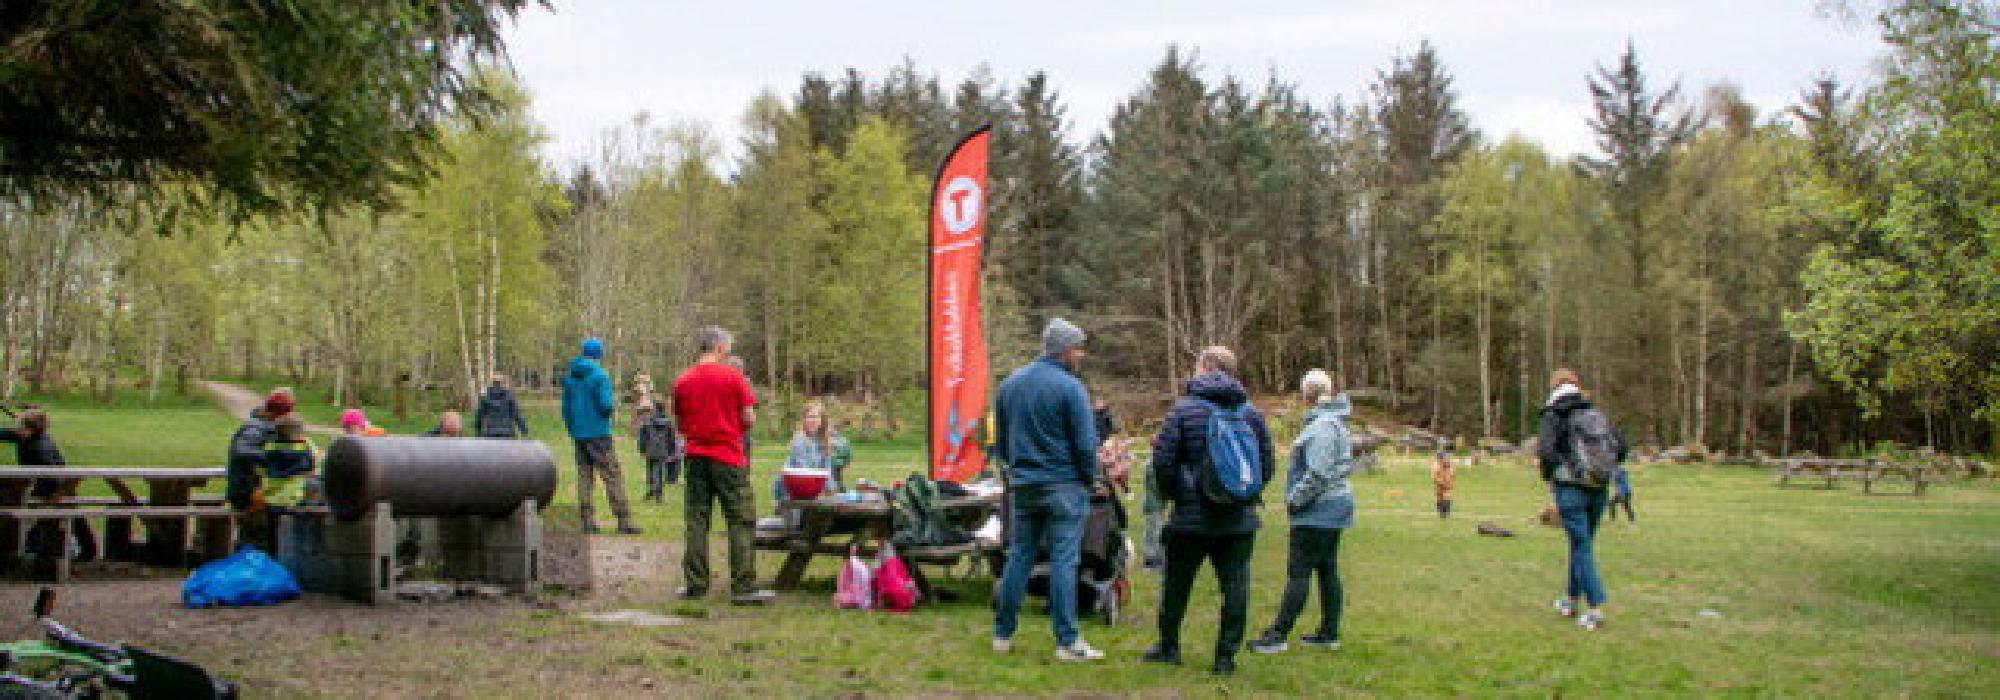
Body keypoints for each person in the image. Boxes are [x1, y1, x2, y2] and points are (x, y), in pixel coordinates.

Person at [1144, 346, 1271, 676]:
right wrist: (1241, 495)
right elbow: (1265, 465)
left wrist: (1178, 495)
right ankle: (1225, 657)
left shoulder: (1184, 410)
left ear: (1205, 368)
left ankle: (1169, 646)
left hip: (1191, 517)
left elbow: (1163, 461)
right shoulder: (1251, 413)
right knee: (1235, 587)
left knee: (1176, 583)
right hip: (1239, 519)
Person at [990, 318, 1105, 662]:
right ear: (1066, 349)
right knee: (1064, 561)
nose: (1081, 355)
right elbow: (1085, 444)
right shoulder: (1071, 389)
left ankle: (1002, 633)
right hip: (1064, 484)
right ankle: (1067, 641)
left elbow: (1002, 441)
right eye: (1079, 348)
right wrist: (1090, 479)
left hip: (1024, 485)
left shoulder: (1010, 385)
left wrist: (1015, 469)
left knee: (1019, 556)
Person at [1249, 370, 1354, 655]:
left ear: (1307, 394)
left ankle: (1278, 634)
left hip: (1318, 510)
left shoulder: (1321, 427)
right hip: (1335, 508)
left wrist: (1294, 500)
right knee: (1327, 570)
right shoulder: (1335, 422)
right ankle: (1328, 632)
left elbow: (1318, 473)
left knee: (1300, 573)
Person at [671, 327, 773, 605]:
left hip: (695, 456)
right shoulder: (733, 377)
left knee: (696, 520)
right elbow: (749, 417)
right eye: (727, 347)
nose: (728, 352)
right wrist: (731, 428)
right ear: (718, 347)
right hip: (727, 456)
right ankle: (743, 586)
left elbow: (680, 423)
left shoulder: (682, 380)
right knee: (740, 519)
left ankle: (695, 584)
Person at [1537, 368, 1628, 632]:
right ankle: (1570, 600)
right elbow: (1621, 447)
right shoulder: (1595, 413)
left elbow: (1546, 450)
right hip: (1599, 487)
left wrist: (1551, 477)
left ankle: (1595, 608)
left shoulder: (1553, 414)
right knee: (1582, 544)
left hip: (1570, 487)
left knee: (1581, 545)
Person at [563, 337, 640, 535]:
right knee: (612, 475)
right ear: (599, 355)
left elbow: (566, 408)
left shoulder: (570, 376)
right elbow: (606, 406)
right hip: (599, 434)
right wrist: (611, 408)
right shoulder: (600, 376)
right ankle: (623, 519)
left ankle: (587, 520)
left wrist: (573, 428)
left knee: (584, 476)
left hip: (579, 434)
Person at [2, 409, 96, 562]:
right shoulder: (29, 438)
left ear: (27, 427)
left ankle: (86, 550)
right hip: (52, 489)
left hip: (52, 491)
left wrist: (56, 494)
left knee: (56, 511)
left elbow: (51, 473)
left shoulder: (39, 447)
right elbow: (5, 433)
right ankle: (88, 549)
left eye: (19, 425)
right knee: (72, 514)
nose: (16, 428)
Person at [780, 401, 851, 498]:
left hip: (814, 485)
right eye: (809, 417)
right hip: (795, 487)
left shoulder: (824, 441)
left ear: (822, 420)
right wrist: (820, 491)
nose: (812, 420)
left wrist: (831, 490)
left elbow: (827, 470)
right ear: (804, 420)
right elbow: (804, 472)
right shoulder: (800, 440)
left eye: (816, 417)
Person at [260, 414, 318, 507]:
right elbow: (312, 469)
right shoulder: (305, 448)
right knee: (315, 485)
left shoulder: (268, 447)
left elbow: (261, 470)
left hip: (269, 497)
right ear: (298, 435)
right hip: (295, 497)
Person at [636, 396, 683, 502]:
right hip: (663, 451)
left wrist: (642, 450)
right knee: (659, 472)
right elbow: (671, 439)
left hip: (650, 450)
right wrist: (672, 452)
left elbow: (642, 437)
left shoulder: (647, 422)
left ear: (654, 408)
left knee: (651, 471)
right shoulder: (668, 423)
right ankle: (658, 494)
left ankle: (653, 490)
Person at [475, 374, 530, 438]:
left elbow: (479, 416)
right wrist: (524, 430)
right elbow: (516, 414)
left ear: (491, 383)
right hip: (507, 431)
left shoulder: (484, 397)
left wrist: (478, 432)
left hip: (490, 431)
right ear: (503, 383)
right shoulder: (510, 397)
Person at [1432, 450, 1457, 519]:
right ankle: (1441, 513)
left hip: (1447, 483)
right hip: (1439, 484)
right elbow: (1435, 478)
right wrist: (1441, 482)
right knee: (1439, 498)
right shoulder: (1436, 466)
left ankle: (1447, 513)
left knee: (1447, 496)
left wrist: (1450, 482)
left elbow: (1453, 474)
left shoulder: (1449, 465)